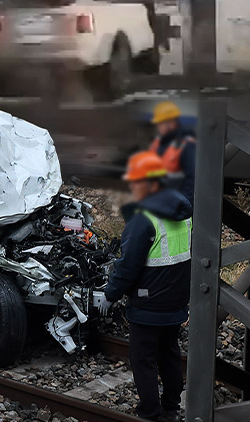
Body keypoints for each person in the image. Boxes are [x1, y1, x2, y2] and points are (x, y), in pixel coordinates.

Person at [99, 151, 192, 422]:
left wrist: (110, 295)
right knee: (170, 354)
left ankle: (150, 413)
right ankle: (171, 408)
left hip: (147, 306)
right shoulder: (183, 212)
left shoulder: (142, 220)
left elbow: (128, 268)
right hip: (175, 303)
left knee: (144, 360)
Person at [149, 101, 196, 206]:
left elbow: (191, 179)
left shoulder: (187, 144)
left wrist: (184, 205)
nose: (158, 127)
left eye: (160, 123)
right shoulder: (157, 143)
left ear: (172, 122)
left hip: (175, 205)